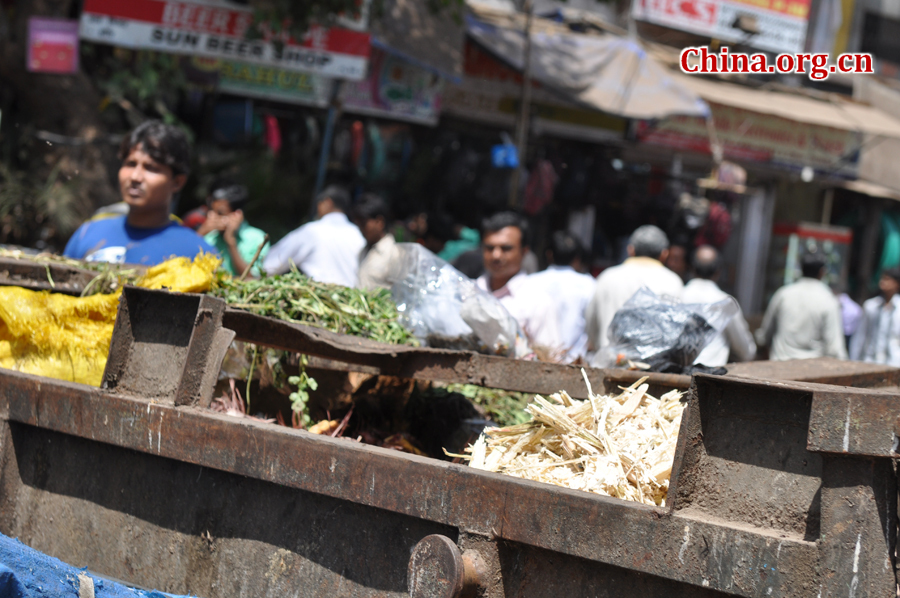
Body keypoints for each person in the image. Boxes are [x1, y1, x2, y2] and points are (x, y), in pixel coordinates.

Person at [64, 121, 217, 265]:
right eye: (130, 164)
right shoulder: (88, 233)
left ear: (177, 182)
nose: (135, 177)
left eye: (151, 168)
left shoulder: (198, 255)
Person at [585, 225, 684, 354]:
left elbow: (590, 323)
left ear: (630, 250)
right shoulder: (673, 282)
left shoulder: (607, 277)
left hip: (609, 364)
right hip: (654, 370)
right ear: (664, 254)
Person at [475, 212, 563, 355]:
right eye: (490, 248)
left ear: (524, 251)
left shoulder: (537, 302)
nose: (496, 255)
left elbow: (550, 361)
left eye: (506, 248)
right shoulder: (468, 293)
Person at [262, 185, 365, 286]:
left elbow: (272, 264)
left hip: (320, 296)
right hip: (352, 298)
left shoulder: (313, 231)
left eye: (319, 204)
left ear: (327, 202)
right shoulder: (359, 234)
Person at [755, 253, 847, 361]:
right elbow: (834, 349)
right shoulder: (829, 301)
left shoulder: (783, 294)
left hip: (778, 366)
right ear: (822, 272)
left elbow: (764, 336)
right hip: (812, 371)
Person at [528, 231, 595, 363]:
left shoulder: (531, 282)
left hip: (536, 361)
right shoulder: (589, 284)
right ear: (577, 258)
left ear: (549, 255)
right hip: (574, 363)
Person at [682, 245, 756, 366]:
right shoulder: (726, 303)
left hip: (676, 374)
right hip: (709, 377)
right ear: (718, 272)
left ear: (691, 268)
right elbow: (746, 351)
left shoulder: (678, 296)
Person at [196, 179, 269, 277]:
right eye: (211, 211)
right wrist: (200, 233)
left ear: (236, 215)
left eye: (220, 213)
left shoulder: (258, 239)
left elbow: (252, 279)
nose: (211, 216)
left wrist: (231, 242)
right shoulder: (209, 238)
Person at [849, 268, 900, 366]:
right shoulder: (871, 306)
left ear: (897, 283)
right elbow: (861, 335)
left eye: (887, 279)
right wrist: (854, 360)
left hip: (894, 363)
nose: (883, 282)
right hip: (870, 361)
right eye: (883, 279)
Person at [354, 193, 399, 290]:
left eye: (363, 224)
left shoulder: (393, 254)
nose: (361, 229)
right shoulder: (363, 251)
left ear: (379, 222)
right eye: (358, 225)